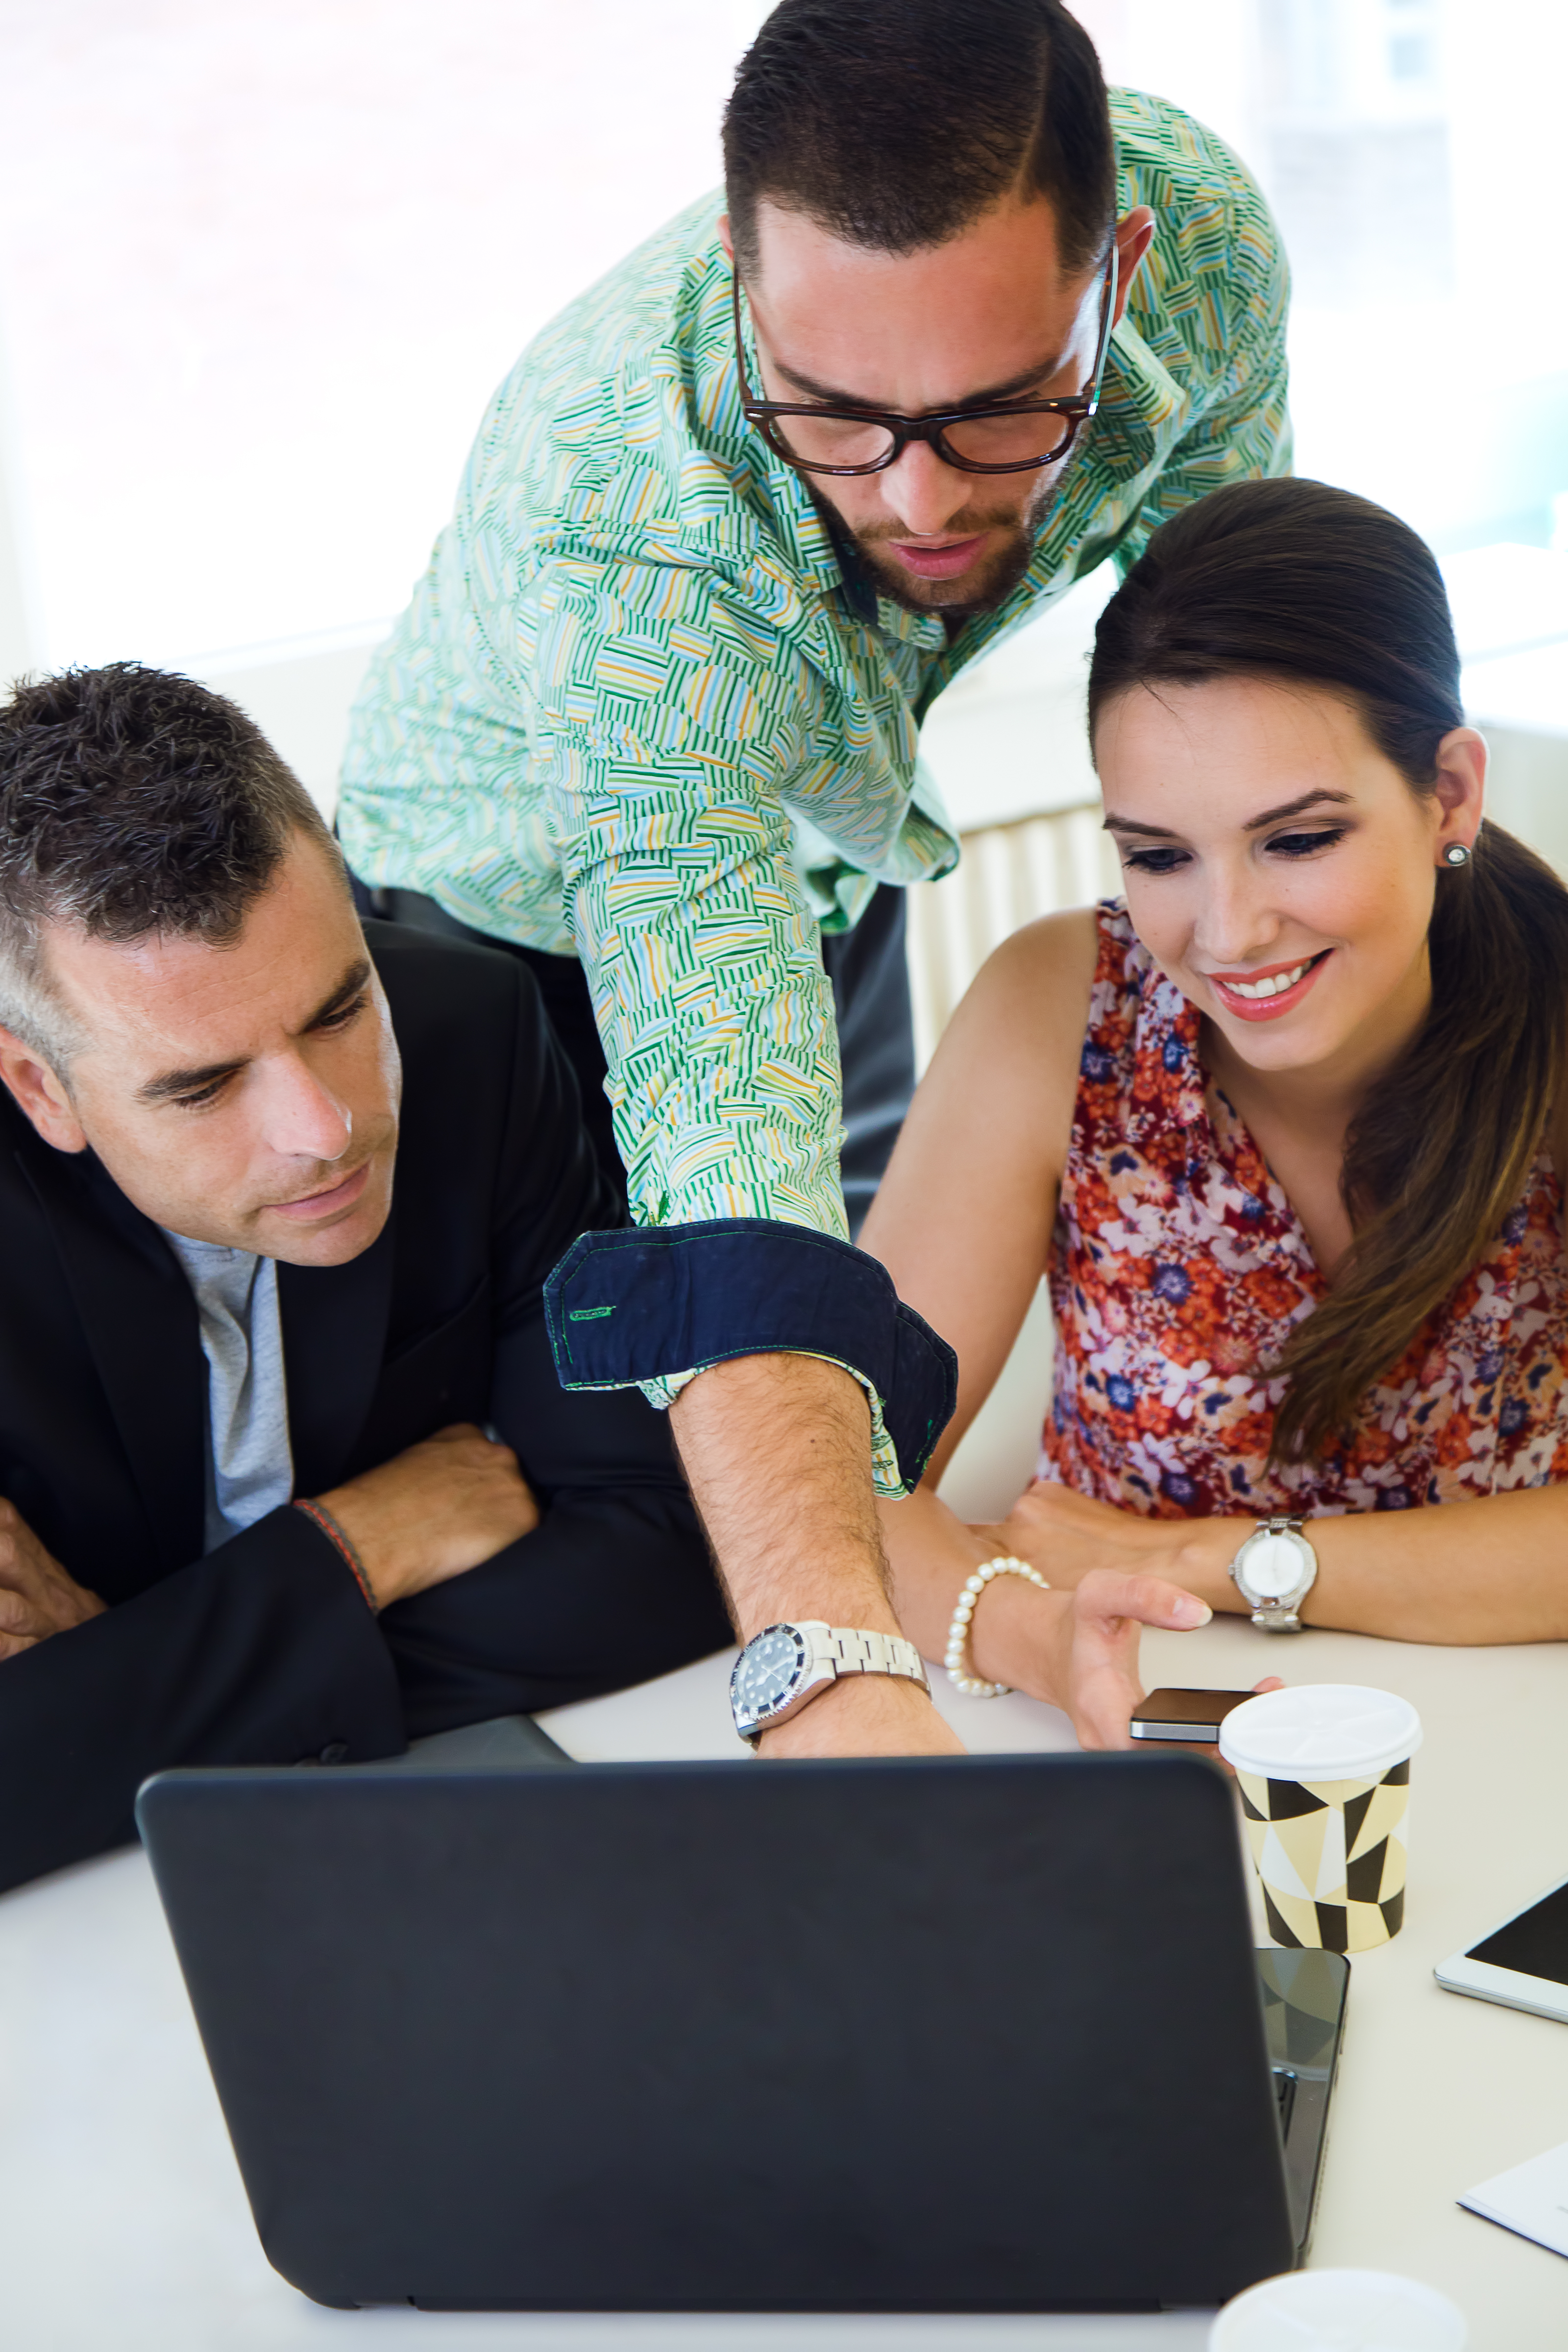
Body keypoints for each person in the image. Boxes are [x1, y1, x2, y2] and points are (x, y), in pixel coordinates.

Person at [335, 0, 1292, 1757]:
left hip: (833, 848)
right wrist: (829, 1674)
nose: (916, 500)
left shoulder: (1208, 248)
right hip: (500, 939)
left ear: (1123, 265)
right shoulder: (617, 510)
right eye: (836, 417)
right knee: (625, 1544)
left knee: (847, 1415)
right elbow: (725, 1129)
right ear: (738, 271)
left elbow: (1237, 660)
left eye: (1003, 412)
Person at [0, 662, 743, 1894]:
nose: (327, 1129)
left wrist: (134, 1681)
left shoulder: (476, 1032)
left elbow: (667, 1551)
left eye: (340, 1009)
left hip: (448, 1838)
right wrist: (355, 1549)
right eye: (202, 1086)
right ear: (39, 1088)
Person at [862, 475, 1568, 1721]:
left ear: (1448, 792)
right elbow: (846, 1477)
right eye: (1157, 856)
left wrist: (1229, 1563)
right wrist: (1029, 1637)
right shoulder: (1054, 1006)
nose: (1228, 934)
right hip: (1148, 1737)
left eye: (1298, 840)